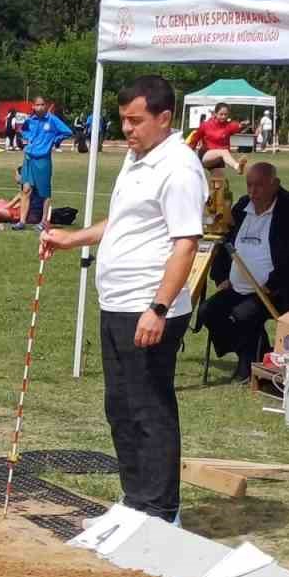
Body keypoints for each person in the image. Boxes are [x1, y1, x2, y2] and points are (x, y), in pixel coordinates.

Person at [41, 75, 207, 523]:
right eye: (123, 120)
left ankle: (161, 510)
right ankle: (134, 500)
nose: (127, 129)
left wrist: (158, 308)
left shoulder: (179, 168)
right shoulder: (137, 159)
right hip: (115, 303)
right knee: (120, 407)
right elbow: (122, 221)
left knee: (149, 408)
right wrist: (72, 239)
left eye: (135, 121)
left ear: (164, 118)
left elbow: (186, 245)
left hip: (148, 307)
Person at [196, 162, 289, 382]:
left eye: (259, 186)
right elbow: (224, 241)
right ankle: (253, 353)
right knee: (207, 312)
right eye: (249, 185)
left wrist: (272, 285)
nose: (252, 191)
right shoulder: (242, 207)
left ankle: (249, 363)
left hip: (274, 291)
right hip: (237, 287)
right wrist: (221, 277)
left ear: (275, 184)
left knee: (243, 315)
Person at [12, 96, 73, 229]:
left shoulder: (52, 120)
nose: (40, 107)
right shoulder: (30, 120)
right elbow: (22, 131)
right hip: (29, 158)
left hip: (43, 159)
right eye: (37, 105)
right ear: (33, 106)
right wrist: (26, 138)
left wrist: (55, 139)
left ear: (45, 106)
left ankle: (43, 222)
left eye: (42, 104)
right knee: (26, 189)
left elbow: (68, 131)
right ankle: (22, 222)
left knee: (44, 192)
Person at [192, 103, 245, 174]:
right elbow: (194, 140)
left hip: (219, 160)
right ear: (215, 114)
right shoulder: (205, 125)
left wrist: (242, 125)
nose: (223, 116)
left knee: (219, 179)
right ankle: (237, 166)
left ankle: (236, 168)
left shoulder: (229, 125)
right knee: (224, 151)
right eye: (221, 114)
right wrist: (188, 153)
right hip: (206, 156)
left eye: (226, 114)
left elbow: (237, 126)